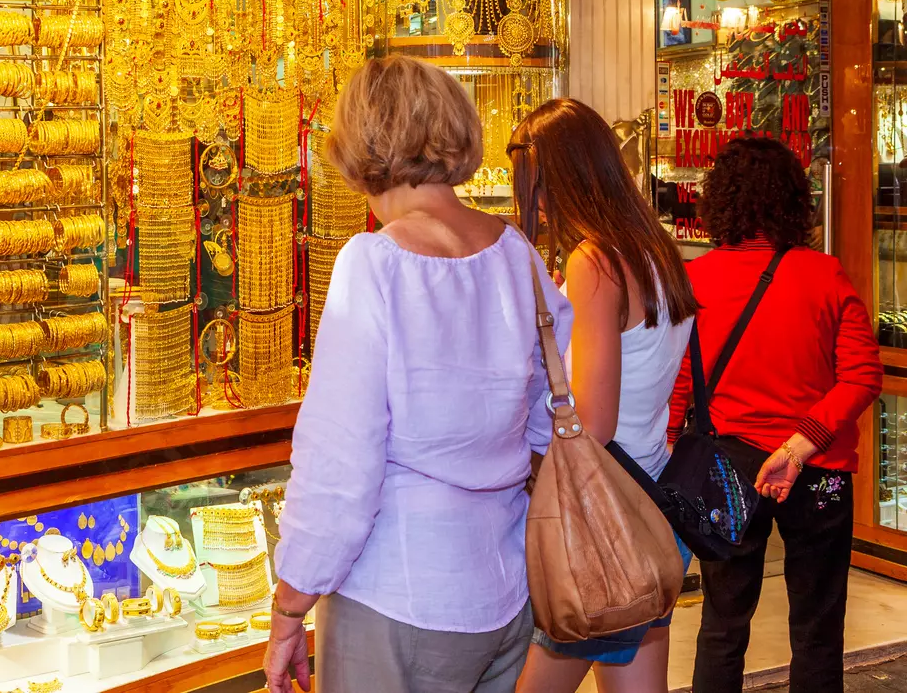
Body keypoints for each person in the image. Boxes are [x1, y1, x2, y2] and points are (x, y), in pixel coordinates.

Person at [264, 55, 571, 693]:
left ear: (362, 146)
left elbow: (340, 466)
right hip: (507, 587)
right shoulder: (517, 255)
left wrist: (291, 604)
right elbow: (556, 421)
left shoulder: (374, 263)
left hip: (399, 595)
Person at [670, 137, 882, 693]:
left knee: (721, 623)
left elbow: (679, 386)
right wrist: (799, 446)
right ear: (794, 200)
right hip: (819, 468)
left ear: (718, 201)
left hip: (725, 470)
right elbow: (863, 374)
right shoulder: (825, 275)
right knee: (817, 624)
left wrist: (670, 453)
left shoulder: (694, 282)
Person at [507, 98, 698, 693]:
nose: (534, 205)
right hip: (654, 507)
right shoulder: (656, 249)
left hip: (601, 522)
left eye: (534, 188)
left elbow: (592, 420)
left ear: (560, 179)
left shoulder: (595, 260)